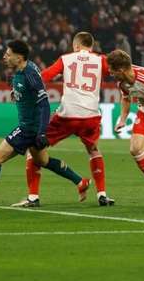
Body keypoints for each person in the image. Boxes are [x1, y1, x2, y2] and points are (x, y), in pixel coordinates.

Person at [0, 39, 90, 209]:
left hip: (28, 128)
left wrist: (40, 132)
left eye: (8, 54)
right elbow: (28, 92)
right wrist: (16, 92)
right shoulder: (21, 70)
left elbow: (44, 103)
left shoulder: (29, 73)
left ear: (19, 57)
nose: (4, 57)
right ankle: (80, 181)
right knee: (43, 161)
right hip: (32, 127)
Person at [12, 32, 114, 208]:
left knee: (34, 148)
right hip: (91, 116)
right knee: (94, 151)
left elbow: (43, 77)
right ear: (91, 46)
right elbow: (118, 71)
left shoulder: (66, 59)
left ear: (75, 46)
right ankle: (102, 195)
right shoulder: (101, 60)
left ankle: (33, 197)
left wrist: (21, 89)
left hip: (67, 116)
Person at [107, 49, 144, 209]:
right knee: (135, 148)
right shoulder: (122, 83)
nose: (110, 73)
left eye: (111, 70)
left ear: (121, 70)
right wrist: (123, 119)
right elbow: (126, 98)